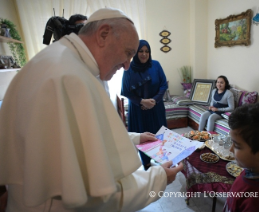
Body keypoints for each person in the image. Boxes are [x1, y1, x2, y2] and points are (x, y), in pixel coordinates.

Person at [0, 7, 183, 212]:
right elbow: (97, 198)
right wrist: (158, 179)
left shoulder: (56, 60)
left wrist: (135, 138)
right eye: (128, 53)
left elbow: (83, 137)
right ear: (103, 35)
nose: (126, 65)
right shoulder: (70, 77)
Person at [121, 40, 168, 170]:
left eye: (147, 51)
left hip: (156, 108)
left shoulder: (156, 65)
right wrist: (142, 101)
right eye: (141, 51)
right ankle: (146, 163)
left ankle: (162, 159)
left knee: (159, 134)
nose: (144, 54)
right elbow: (125, 90)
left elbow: (164, 84)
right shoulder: (129, 68)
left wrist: (154, 101)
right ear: (136, 53)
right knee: (142, 136)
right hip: (138, 110)